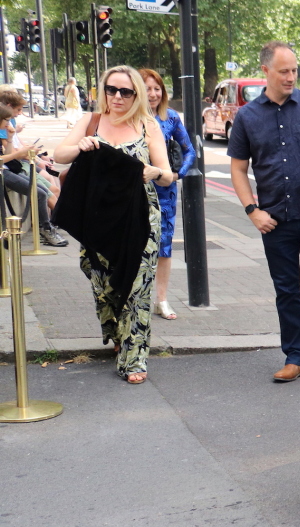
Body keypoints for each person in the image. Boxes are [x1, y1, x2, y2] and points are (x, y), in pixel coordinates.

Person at [228, 41, 300, 383]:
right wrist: (252, 210)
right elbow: (238, 169)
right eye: (284, 71)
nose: (291, 77)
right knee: (287, 290)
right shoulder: (248, 117)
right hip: (275, 220)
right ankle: (297, 357)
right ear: (265, 71)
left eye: (294, 70)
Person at [52, 65, 176, 384]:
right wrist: (80, 146)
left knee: (138, 287)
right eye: (111, 89)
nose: (117, 97)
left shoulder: (147, 125)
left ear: (135, 94)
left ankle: (134, 359)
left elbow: (168, 174)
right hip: (98, 220)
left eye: (125, 91)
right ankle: (117, 331)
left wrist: (153, 172)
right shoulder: (91, 121)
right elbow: (60, 154)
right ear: (103, 91)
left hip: (140, 218)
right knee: (103, 283)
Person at [140, 68, 196, 320]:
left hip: (164, 192)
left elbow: (190, 152)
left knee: (164, 246)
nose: (152, 94)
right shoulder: (129, 119)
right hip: (134, 191)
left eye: (157, 88)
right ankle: (136, 298)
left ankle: (161, 300)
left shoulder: (170, 117)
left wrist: (176, 175)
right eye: (147, 88)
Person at [0, 88, 67, 246]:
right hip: (5, 172)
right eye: (7, 121)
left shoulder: (4, 132)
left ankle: (46, 228)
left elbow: (8, 155)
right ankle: (45, 229)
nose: (10, 124)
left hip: (8, 170)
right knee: (39, 193)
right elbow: (4, 159)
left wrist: (10, 139)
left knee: (42, 192)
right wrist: (20, 152)